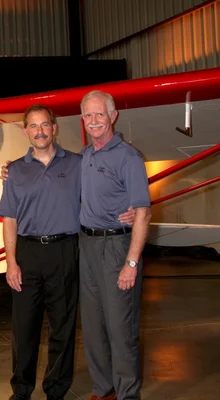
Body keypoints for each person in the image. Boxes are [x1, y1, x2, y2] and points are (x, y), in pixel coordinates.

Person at [0, 91, 149, 400]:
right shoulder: (22, 169)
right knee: (63, 326)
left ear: (55, 128)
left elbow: (131, 200)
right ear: (25, 131)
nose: (39, 131)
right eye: (32, 125)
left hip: (78, 248)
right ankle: (38, 389)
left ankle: (102, 392)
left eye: (100, 114)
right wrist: (10, 261)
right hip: (49, 250)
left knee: (78, 326)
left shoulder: (88, 160)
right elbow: (10, 217)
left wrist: (134, 216)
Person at [77, 90, 151, 400]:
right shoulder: (83, 156)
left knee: (121, 329)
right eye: (88, 115)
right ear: (83, 120)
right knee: (93, 327)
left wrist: (131, 263)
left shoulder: (128, 157)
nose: (93, 121)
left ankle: (126, 394)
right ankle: (103, 388)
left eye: (99, 114)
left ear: (113, 116)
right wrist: (11, 168)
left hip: (117, 246)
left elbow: (144, 212)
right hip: (87, 246)